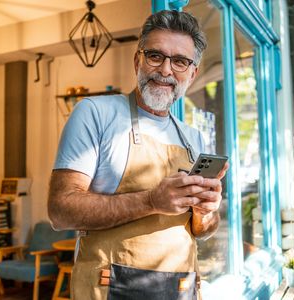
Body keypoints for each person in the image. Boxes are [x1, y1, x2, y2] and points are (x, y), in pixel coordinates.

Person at [48, 10, 228, 300]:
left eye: (180, 61)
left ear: (192, 73)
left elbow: (202, 231)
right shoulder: (95, 114)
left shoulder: (193, 138)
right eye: (155, 56)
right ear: (138, 60)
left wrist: (207, 212)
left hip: (182, 290)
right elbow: (60, 210)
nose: (166, 70)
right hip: (112, 288)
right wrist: (151, 201)